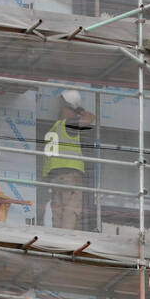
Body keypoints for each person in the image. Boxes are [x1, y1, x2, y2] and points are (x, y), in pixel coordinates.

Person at [41, 89, 94, 230]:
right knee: (70, 214)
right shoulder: (69, 125)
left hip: (55, 179)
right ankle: (67, 242)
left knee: (57, 215)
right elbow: (90, 118)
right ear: (72, 107)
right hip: (70, 177)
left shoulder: (54, 128)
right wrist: (80, 110)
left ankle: (58, 242)